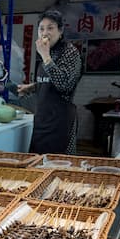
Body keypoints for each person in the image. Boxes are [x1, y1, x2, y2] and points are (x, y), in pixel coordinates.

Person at [18, 9, 82, 154]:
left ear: (60, 31)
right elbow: (49, 82)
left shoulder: (70, 52)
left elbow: (64, 84)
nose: (44, 33)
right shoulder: (47, 52)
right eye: (41, 29)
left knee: (59, 167)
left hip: (61, 124)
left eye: (50, 28)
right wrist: (32, 87)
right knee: (38, 165)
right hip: (42, 121)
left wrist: (46, 56)